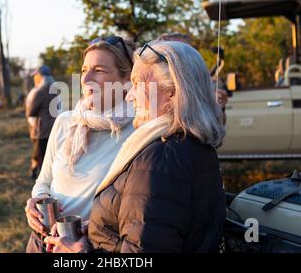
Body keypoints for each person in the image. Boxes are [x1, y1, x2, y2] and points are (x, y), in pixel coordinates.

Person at [44, 41, 227, 253]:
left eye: (138, 84)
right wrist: (97, 230)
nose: (130, 95)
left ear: (173, 92)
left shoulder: (161, 159)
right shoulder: (189, 144)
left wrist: (82, 253)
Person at [25, 36, 136, 253]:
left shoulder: (138, 131)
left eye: (100, 70)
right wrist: (38, 200)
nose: (86, 80)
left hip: (89, 248)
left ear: (126, 81)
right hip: (42, 242)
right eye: (85, 70)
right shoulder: (66, 122)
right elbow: (44, 180)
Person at [25, 65, 59, 180]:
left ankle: (42, 177)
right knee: (49, 154)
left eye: (36, 75)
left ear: (40, 76)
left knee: (39, 154)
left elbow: (31, 112)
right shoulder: (56, 89)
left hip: (41, 128)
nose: (35, 78)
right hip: (53, 126)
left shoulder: (40, 91)